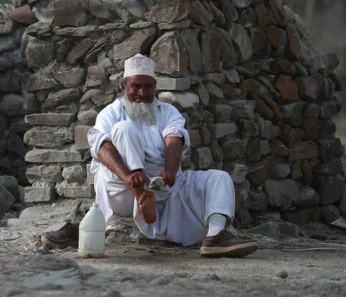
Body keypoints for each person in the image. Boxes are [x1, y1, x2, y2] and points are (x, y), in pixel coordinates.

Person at [43, 54, 257, 257]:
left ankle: (215, 237)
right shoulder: (111, 112)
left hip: (161, 189)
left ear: (155, 88)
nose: (142, 93)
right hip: (122, 189)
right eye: (135, 86)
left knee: (219, 178)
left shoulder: (168, 112)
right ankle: (141, 195)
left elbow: (174, 139)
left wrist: (171, 171)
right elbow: (101, 147)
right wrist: (130, 176)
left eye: (148, 87)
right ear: (123, 87)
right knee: (124, 129)